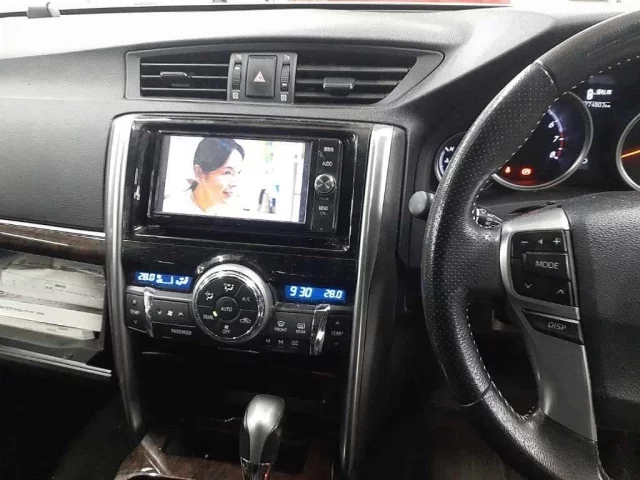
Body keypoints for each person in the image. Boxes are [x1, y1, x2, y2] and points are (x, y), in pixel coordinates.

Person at [162, 137, 245, 216]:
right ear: (199, 173)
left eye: (238, 173)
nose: (236, 183)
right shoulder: (170, 209)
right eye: (227, 173)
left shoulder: (235, 212)